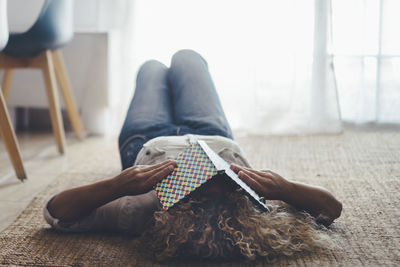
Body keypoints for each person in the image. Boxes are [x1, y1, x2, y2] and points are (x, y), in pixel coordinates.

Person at [44, 50, 342, 261]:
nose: (210, 180)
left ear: (176, 213)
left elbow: (55, 213)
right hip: (213, 132)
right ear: (234, 207)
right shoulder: (253, 205)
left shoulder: (141, 211)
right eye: (219, 189)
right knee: (187, 57)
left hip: (147, 138)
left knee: (151, 68)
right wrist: (286, 188)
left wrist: (117, 186)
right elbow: (331, 208)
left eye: (197, 192)